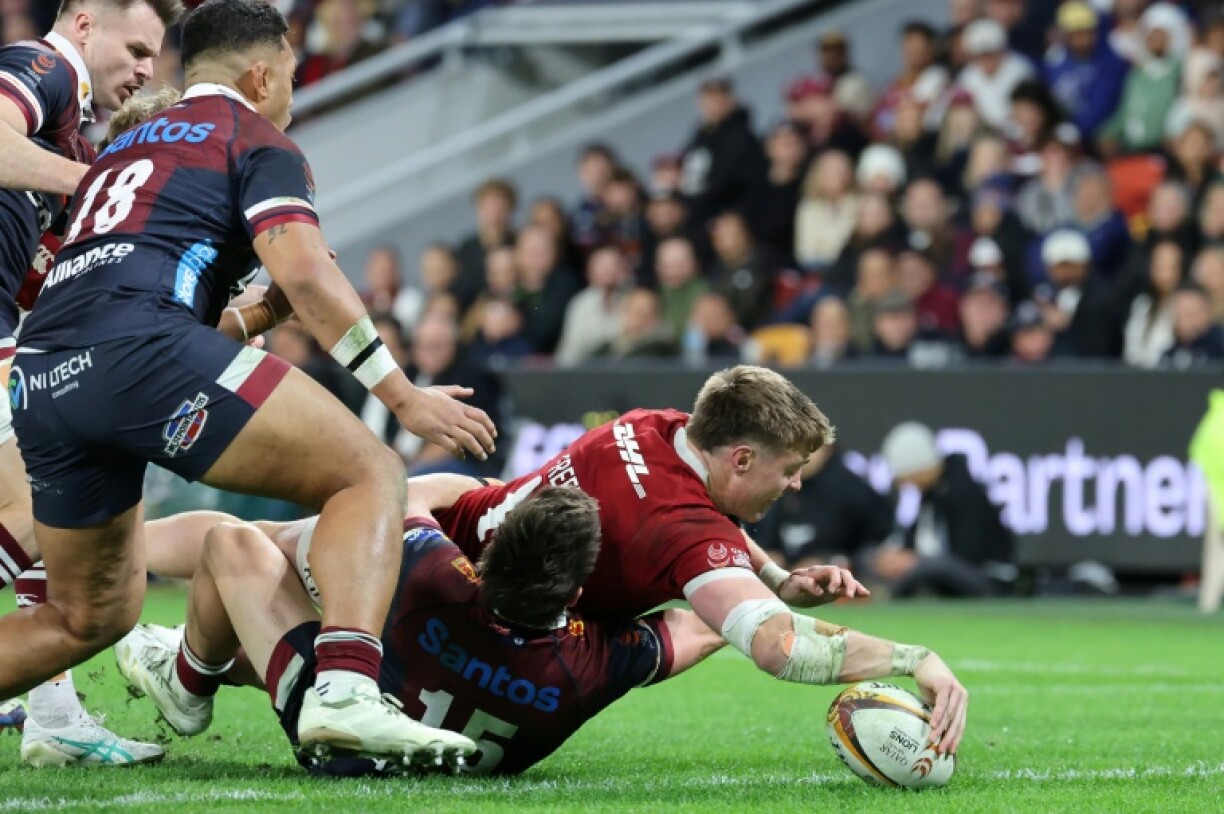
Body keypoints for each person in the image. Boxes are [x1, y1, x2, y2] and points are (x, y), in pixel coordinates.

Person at [6, 0, 496, 768]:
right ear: (261, 74)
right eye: (292, 78)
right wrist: (401, 395)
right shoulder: (253, 137)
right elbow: (304, 268)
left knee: (83, 616)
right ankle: (346, 695)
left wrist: (258, 312)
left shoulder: (122, 152)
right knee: (368, 471)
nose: (293, 96)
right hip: (137, 350)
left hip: (42, 374)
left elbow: (130, 283)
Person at [419, 366, 968, 755]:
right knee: (703, 627)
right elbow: (781, 647)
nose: (796, 482)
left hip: (429, 561)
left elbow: (704, 512)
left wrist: (773, 577)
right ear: (743, 457)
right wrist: (914, 658)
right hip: (513, 638)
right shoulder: (681, 531)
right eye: (790, 467)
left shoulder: (651, 425)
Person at [119, 486, 728, 775]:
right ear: (574, 595)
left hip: (339, 734)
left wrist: (492, 491)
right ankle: (195, 657)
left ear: (490, 553)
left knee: (235, 543)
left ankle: (187, 677)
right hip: (432, 741)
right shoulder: (595, 660)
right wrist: (759, 591)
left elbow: (398, 496)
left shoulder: (436, 571)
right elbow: (704, 625)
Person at [0, 0, 182, 766]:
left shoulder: (70, 130)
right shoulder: (38, 69)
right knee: (50, 513)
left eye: (154, 56)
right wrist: (105, 185)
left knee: (49, 515)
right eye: (135, 47)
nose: (144, 68)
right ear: (82, 23)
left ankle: (53, 714)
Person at [875, 422, 1015, 597]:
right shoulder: (931, 494)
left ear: (921, 466)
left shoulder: (962, 492)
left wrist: (915, 561)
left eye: (906, 476)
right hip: (952, 573)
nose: (905, 484)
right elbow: (913, 541)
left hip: (989, 578)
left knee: (932, 567)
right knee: (872, 556)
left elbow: (967, 556)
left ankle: (888, 596)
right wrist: (898, 555)